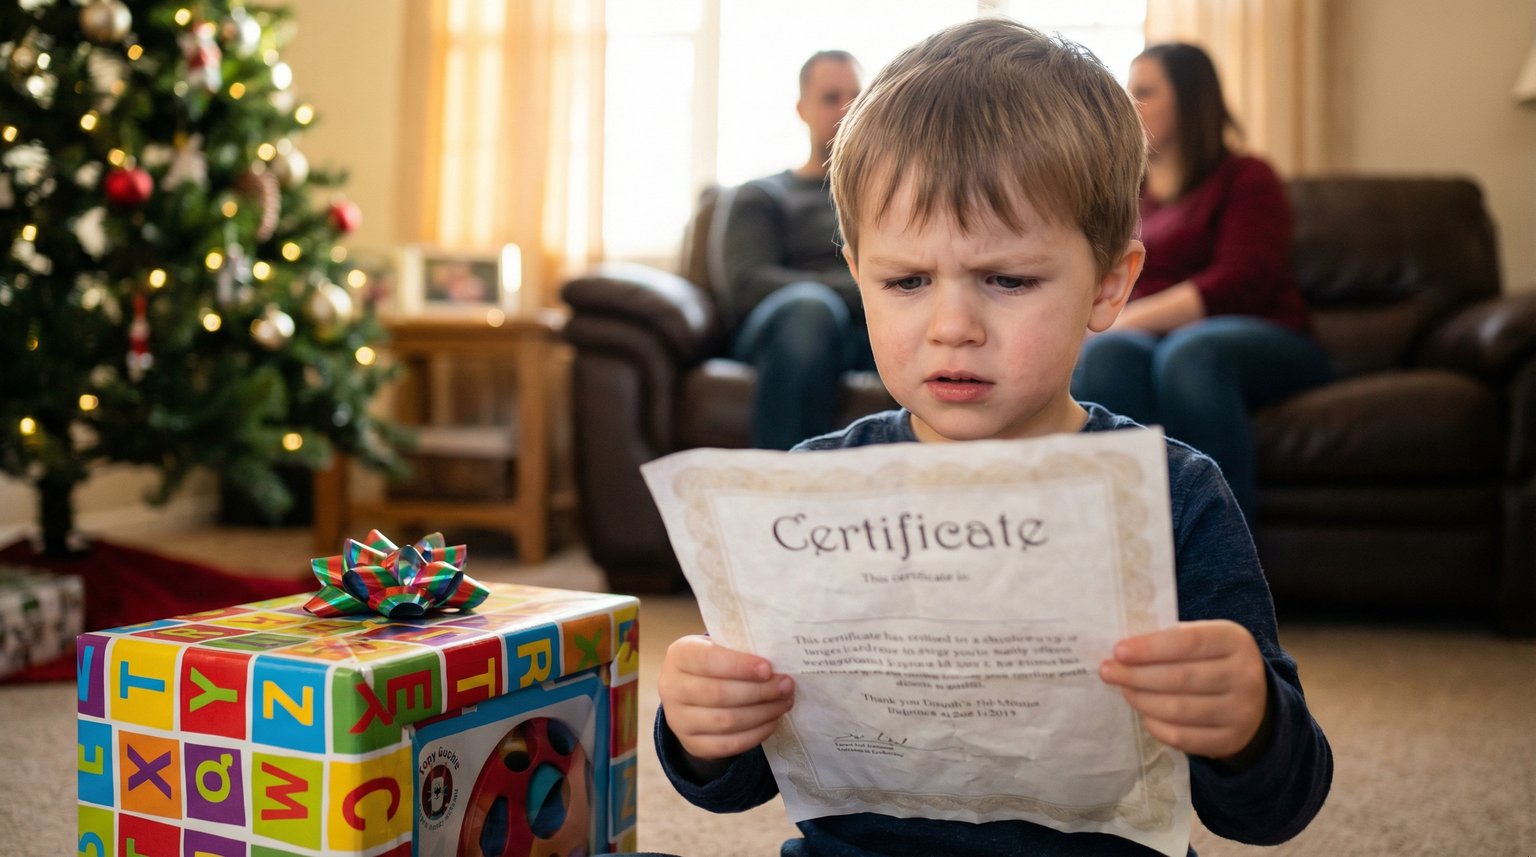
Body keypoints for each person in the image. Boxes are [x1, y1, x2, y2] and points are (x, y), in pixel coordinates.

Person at [654, 20, 1331, 857]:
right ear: (856, 270)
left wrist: (1250, 722)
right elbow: (741, 780)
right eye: (904, 281)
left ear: (1110, 285)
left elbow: (1274, 806)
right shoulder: (813, 494)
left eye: (1007, 279)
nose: (951, 326)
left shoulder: (1171, 493)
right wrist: (698, 725)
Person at [1070, 42, 1333, 522]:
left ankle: (1222, 552)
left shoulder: (1246, 177)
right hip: (1155, 340)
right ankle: (1125, 543)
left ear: (1190, 99)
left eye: (1145, 91)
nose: (1129, 102)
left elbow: (1240, 280)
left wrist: (1127, 319)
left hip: (1263, 335)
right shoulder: (1131, 196)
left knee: (1191, 354)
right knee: (1109, 354)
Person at [713, 50, 877, 450]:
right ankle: (782, 495)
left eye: (857, 97)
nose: (846, 109)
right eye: (830, 97)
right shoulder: (763, 195)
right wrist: (862, 288)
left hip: (871, 331)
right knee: (811, 308)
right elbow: (748, 286)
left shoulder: (885, 199)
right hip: (787, 330)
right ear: (802, 109)